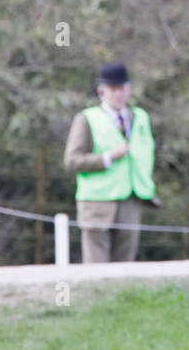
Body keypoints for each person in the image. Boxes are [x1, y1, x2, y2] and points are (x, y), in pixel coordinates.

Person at [63, 62, 158, 262]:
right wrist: (108, 158)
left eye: (123, 88)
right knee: (98, 271)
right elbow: (72, 160)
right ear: (101, 91)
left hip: (131, 201)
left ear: (129, 89)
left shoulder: (140, 117)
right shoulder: (86, 118)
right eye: (114, 89)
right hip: (97, 203)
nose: (119, 94)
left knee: (124, 270)